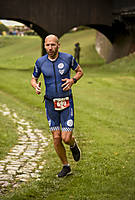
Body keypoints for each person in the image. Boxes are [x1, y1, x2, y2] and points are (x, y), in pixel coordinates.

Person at [31, 34, 84, 178]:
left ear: (58, 45)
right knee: (56, 137)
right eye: (47, 45)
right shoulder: (40, 62)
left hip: (66, 102)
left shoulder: (67, 58)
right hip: (50, 103)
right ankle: (66, 166)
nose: (50, 48)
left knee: (66, 138)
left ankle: (73, 145)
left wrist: (73, 80)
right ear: (44, 46)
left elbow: (80, 71)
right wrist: (36, 86)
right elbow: (33, 78)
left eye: (53, 45)